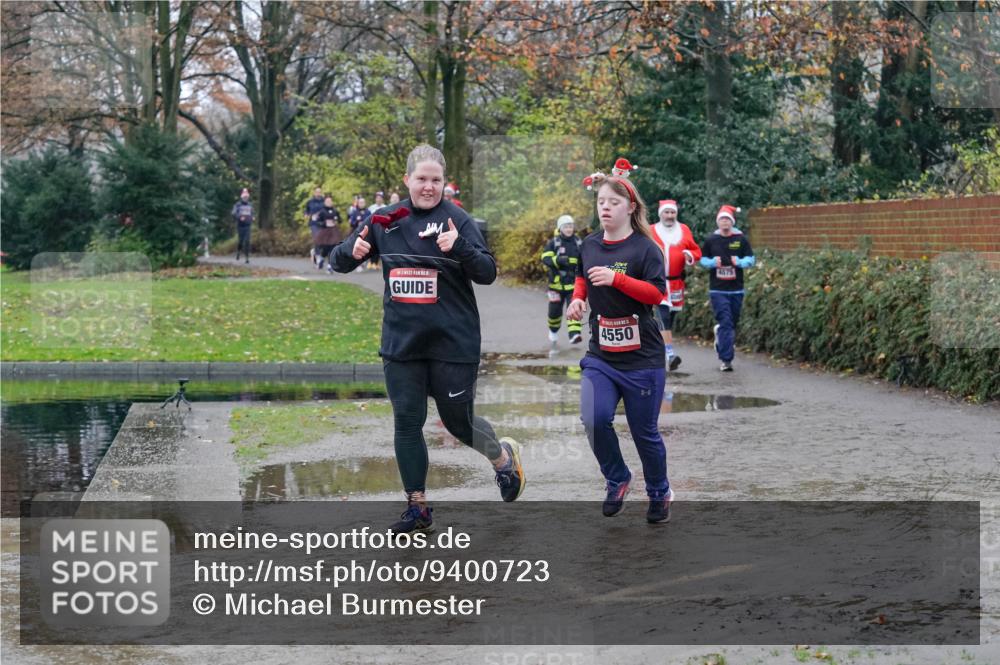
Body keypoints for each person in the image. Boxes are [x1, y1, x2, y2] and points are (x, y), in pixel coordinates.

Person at [331, 144, 525, 534]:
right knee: (407, 421)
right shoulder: (385, 220)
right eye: (421, 179)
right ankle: (417, 507)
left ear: (444, 183)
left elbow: (487, 272)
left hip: (453, 342)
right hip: (403, 345)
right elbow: (339, 261)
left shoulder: (457, 220)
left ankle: (503, 459)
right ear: (407, 180)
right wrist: (350, 251)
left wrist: (461, 247)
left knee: (458, 424)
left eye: (436, 180)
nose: (429, 187)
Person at [566, 158, 674, 524]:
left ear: (630, 207)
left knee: (645, 434)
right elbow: (583, 277)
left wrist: (617, 280)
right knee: (593, 419)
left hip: (642, 357)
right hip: (602, 355)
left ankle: (659, 490)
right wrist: (578, 300)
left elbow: (658, 295)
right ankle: (617, 478)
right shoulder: (590, 244)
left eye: (613, 202)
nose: (606, 208)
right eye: (601, 203)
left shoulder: (646, 249)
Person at [699, 204, 755, 372]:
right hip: (718, 290)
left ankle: (721, 338)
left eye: (727, 220)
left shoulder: (740, 239)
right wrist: (711, 263)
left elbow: (751, 259)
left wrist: (739, 262)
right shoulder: (711, 240)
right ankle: (726, 360)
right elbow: (702, 259)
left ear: (732, 222)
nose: (725, 222)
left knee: (732, 323)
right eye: (722, 219)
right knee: (726, 323)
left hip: (737, 289)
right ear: (718, 222)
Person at [650, 199, 701, 371]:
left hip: (676, 282)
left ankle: (658, 350)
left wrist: (689, 254)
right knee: (663, 317)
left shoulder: (684, 230)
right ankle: (670, 355)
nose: (670, 216)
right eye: (667, 212)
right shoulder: (651, 231)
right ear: (661, 214)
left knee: (669, 320)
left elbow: (696, 251)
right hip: (657, 282)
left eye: (672, 213)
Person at [541, 214, 583, 348]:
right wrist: (557, 260)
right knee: (554, 312)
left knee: (574, 309)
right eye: (566, 226)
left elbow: (585, 259)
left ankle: (574, 334)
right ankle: (553, 331)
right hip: (556, 285)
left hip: (573, 285)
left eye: (571, 226)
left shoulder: (579, 242)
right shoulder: (554, 243)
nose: (569, 229)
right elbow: (545, 258)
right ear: (560, 228)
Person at [314, 195, 343, 271]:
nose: (329, 203)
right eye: (327, 201)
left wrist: (336, 221)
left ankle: (329, 266)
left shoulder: (335, 211)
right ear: (325, 202)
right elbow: (317, 222)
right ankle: (322, 259)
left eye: (330, 201)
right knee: (325, 248)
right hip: (324, 232)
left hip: (333, 232)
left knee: (332, 248)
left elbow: (340, 220)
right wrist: (325, 223)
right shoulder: (322, 211)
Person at [305, 186, 326, 267]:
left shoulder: (324, 201)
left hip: (323, 224)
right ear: (314, 193)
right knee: (317, 238)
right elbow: (306, 211)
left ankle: (314, 252)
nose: (318, 193)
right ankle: (318, 257)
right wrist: (306, 215)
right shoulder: (310, 202)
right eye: (317, 191)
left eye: (319, 191)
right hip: (314, 223)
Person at [231, 188, 253, 263]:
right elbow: (233, 213)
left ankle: (247, 258)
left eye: (247, 197)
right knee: (241, 241)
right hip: (240, 226)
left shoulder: (250, 205)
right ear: (242, 197)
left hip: (248, 225)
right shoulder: (237, 205)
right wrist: (240, 217)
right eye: (244, 197)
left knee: (247, 241)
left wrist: (253, 217)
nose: (246, 198)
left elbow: (252, 213)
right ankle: (238, 252)